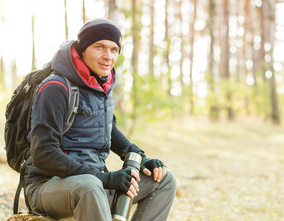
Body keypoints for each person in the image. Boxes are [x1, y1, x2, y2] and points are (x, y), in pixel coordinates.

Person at [24, 18, 177, 221]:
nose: (108, 56)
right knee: (90, 186)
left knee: (164, 180)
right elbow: (43, 153)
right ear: (83, 50)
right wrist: (103, 178)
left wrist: (139, 156)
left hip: (94, 184)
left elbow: (108, 130)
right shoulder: (56, 87)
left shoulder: (101, 86)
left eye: (114, 50)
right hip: (48, 187)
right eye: (100, 47)